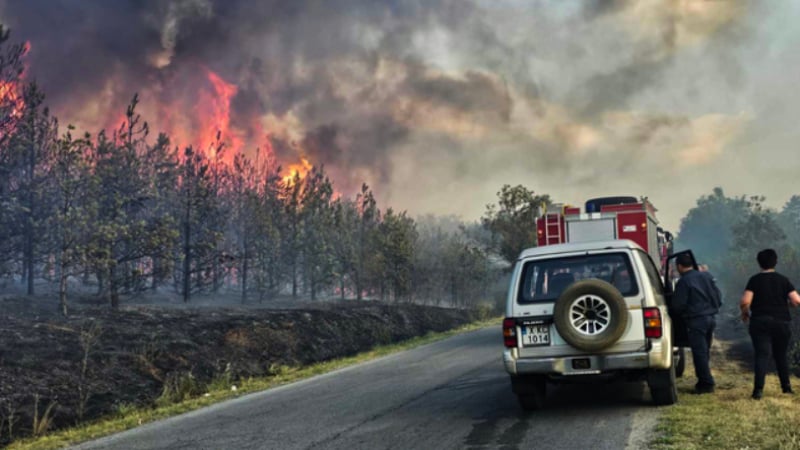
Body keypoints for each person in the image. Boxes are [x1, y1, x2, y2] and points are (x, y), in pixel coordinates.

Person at [739, 248, 800, 399]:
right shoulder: (783, 279)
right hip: (781, 322)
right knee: (781, 355)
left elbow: (745, 301)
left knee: (761, 355)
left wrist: (745, 312)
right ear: (776, 262)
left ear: (759, 263)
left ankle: (758, 391)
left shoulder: (754, 280)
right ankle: (786, 388)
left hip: (760, 322)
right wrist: (789, 305)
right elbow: (796, 300)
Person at [671, 253, 722, 394]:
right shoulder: (707, 276)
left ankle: (706, 384)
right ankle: (705, 379)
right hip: (710, 318)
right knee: (704, 351)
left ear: (679, 266)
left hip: (696, 320)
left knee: (699, 352)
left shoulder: (684, 282)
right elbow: (718, 296)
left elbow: (677, 305)